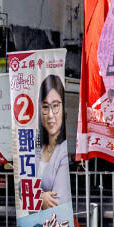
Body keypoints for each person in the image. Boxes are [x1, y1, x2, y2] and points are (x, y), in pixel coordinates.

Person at [37, 75, 71, 209]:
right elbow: (21, 188)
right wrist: (41, 197)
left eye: (56, 106)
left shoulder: (63, 151)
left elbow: (57, 201)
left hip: (55, 225)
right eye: (45, 107)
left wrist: (36, 196)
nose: (50, 115)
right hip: (32, 226)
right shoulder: (35, 148)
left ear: (64, 111)